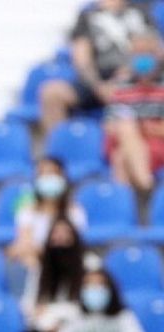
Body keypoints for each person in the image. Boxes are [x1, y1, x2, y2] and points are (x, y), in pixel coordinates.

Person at [39, 0, 158, 133]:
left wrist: (126, 76)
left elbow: (152, 49)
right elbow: (81, 58)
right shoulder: (88, 16)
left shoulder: (140, 12)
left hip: (134, 77)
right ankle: (60, 147)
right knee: (52, 93)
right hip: (99, 80)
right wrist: (99, 87)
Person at [7, 157, 86, 305]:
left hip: (67, 266)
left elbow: (73, 247)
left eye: (53, 173)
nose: (48, 178)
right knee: (23, 261)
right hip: (37, 266)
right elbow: (23, 246)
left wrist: (46, 252)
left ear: (63, 178)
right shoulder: (27, 212)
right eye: (43, 174)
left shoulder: (75, 212)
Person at [14, 217, 87, 332]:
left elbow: (85, 307)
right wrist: (44, 321)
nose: (60, 239)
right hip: (44, 330)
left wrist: (54, 315)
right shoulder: (41, 270)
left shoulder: (89, 266)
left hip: (77, 331)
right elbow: (28, 304)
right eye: (56, 234)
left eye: (65, 233)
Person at [104, 34, 164, 191]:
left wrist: (145, 130)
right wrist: (140, 129)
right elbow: (109, 125)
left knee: (121, 158)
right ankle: (147, 185)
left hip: (157, 147)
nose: (143, 58)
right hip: (125, 139)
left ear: (157, 55)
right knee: (126, 127)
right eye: (138, 53)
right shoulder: (121, 85)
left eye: (147, 53)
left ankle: (128, 207)